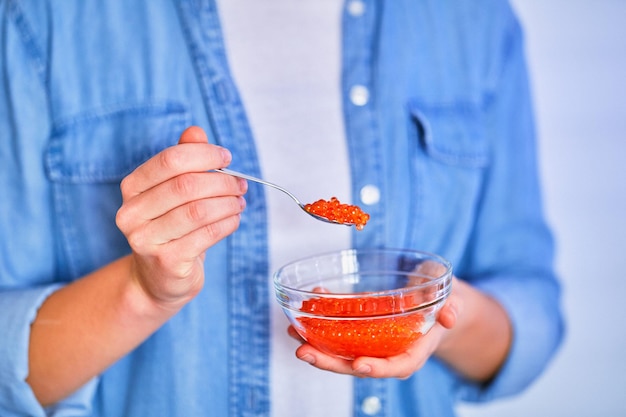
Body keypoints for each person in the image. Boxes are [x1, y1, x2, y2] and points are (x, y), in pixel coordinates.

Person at [0, 1, 564, 416]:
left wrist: (435, 311)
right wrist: (142, 292)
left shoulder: (475, 21)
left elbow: (531, 312)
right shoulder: (44, 19)